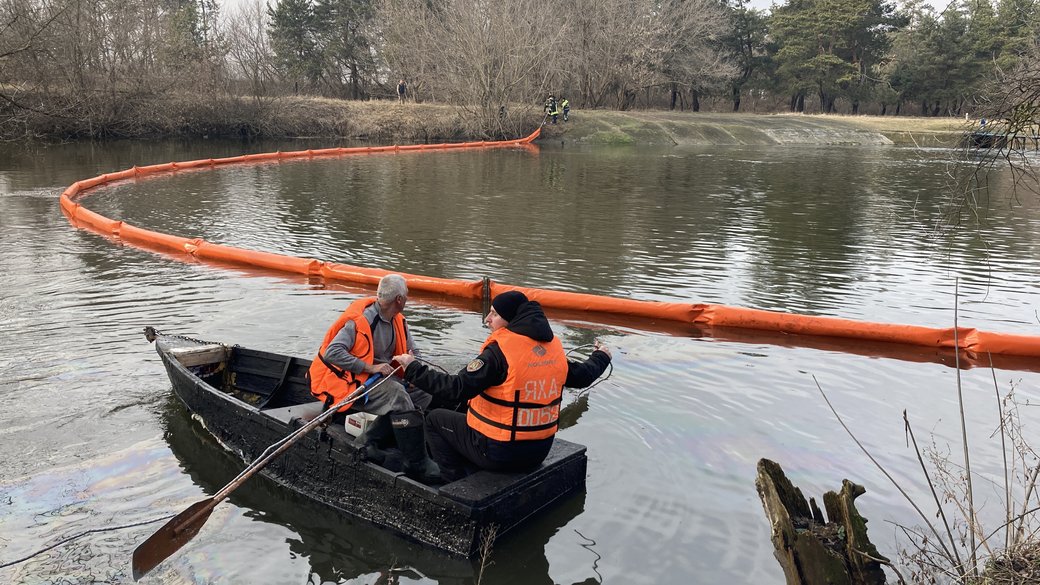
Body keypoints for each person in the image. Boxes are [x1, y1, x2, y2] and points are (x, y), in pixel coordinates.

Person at [394, 291, 612, 482]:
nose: (487, 319)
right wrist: (601, 356)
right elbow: (583, 375)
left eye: (494, 314)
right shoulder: (552, 350)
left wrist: (413, 368)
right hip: (538, 451)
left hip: (499, 453)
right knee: (464, 405)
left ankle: (451, 481)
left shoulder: (498, 353)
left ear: (510, 320)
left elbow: (456, 388)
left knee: (434, 419)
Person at [309, 273, 440, 482]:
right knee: (398, 395)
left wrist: (415, 371)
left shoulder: (398, 320)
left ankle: (368, 440)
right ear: (399, 299)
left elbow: (415, 351)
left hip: (382, 379)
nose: (407, 299)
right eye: (406, 296)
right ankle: (416, 462)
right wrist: (370, 368)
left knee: (423, 391)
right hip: (353, 383)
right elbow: (332, 352)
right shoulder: (361, 321)